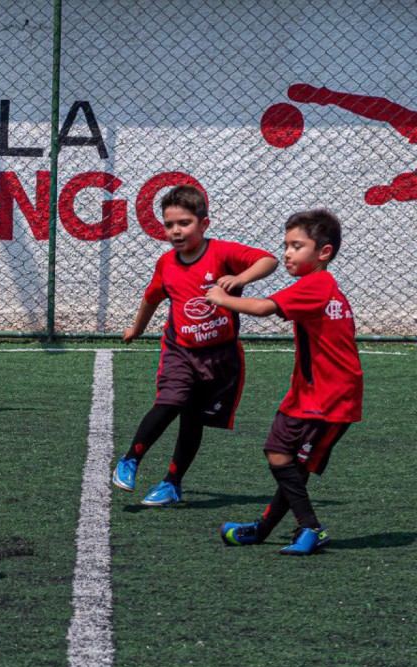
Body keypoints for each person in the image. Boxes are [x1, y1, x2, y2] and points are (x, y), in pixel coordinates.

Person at [207, 209, 361, 555]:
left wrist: (222, 299)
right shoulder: (316, 285)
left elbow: (263, 308)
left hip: (331, 398)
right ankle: (264, 529)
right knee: (285, 460)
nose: (287, 253)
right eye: (286, 245)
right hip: (308, 394)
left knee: (286, 460)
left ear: (324, 252)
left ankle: (310, 528)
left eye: (297, 246)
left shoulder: (317, 284)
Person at [112, 185, 278, 506]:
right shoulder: (166, 264)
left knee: (193, 419)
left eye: (184, 223)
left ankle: (172, 482)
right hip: (181, 351)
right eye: (169, 224)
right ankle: (130, 459)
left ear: (203, 224)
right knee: (170, 401)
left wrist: (240, 279)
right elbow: (151, 299)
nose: (176, 231)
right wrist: (136, 329)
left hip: (221, 357)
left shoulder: (222, 253)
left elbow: (268, 261)